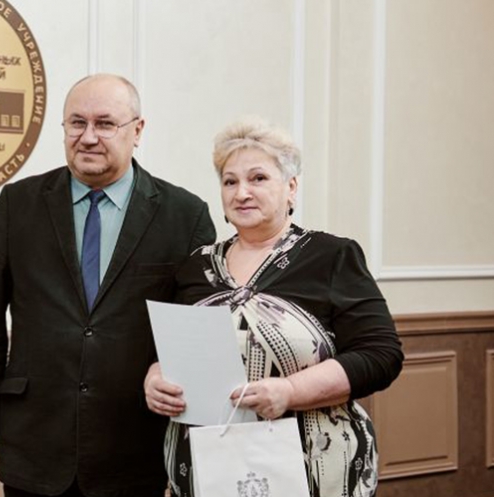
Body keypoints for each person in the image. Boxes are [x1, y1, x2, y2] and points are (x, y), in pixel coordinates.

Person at [0, 74, 216, 497]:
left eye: (105, 124)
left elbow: (197, 330)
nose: (88, 137)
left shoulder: (184, 215)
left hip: (135, 450)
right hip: (33, 445)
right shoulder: (18, 204)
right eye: (77, 123)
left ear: (137, 130)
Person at [143, 117, 404, 497]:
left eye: (258, 178)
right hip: (210, 466)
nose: (241, 192)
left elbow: (381, 355)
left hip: (315, 468)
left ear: (291, 187)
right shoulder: (196, 265)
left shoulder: (331, 256)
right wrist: (156, 376)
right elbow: (172, 350)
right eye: (230, 182)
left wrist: (289, 391)